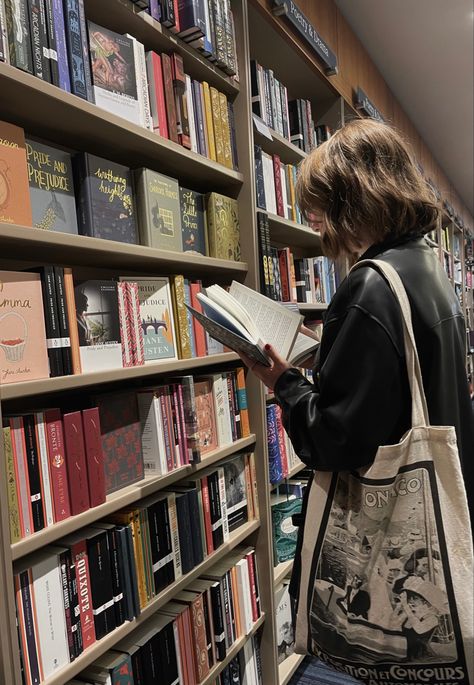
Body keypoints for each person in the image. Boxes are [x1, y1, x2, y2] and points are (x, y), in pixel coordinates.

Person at [238, 119, 474, 604]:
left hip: (390, 531)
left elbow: (334, 441)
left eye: (320, 204)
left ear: (353, 197)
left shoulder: (370, 284)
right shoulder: (428, 267)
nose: (314, 221)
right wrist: (329, 352)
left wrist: (283, 382)